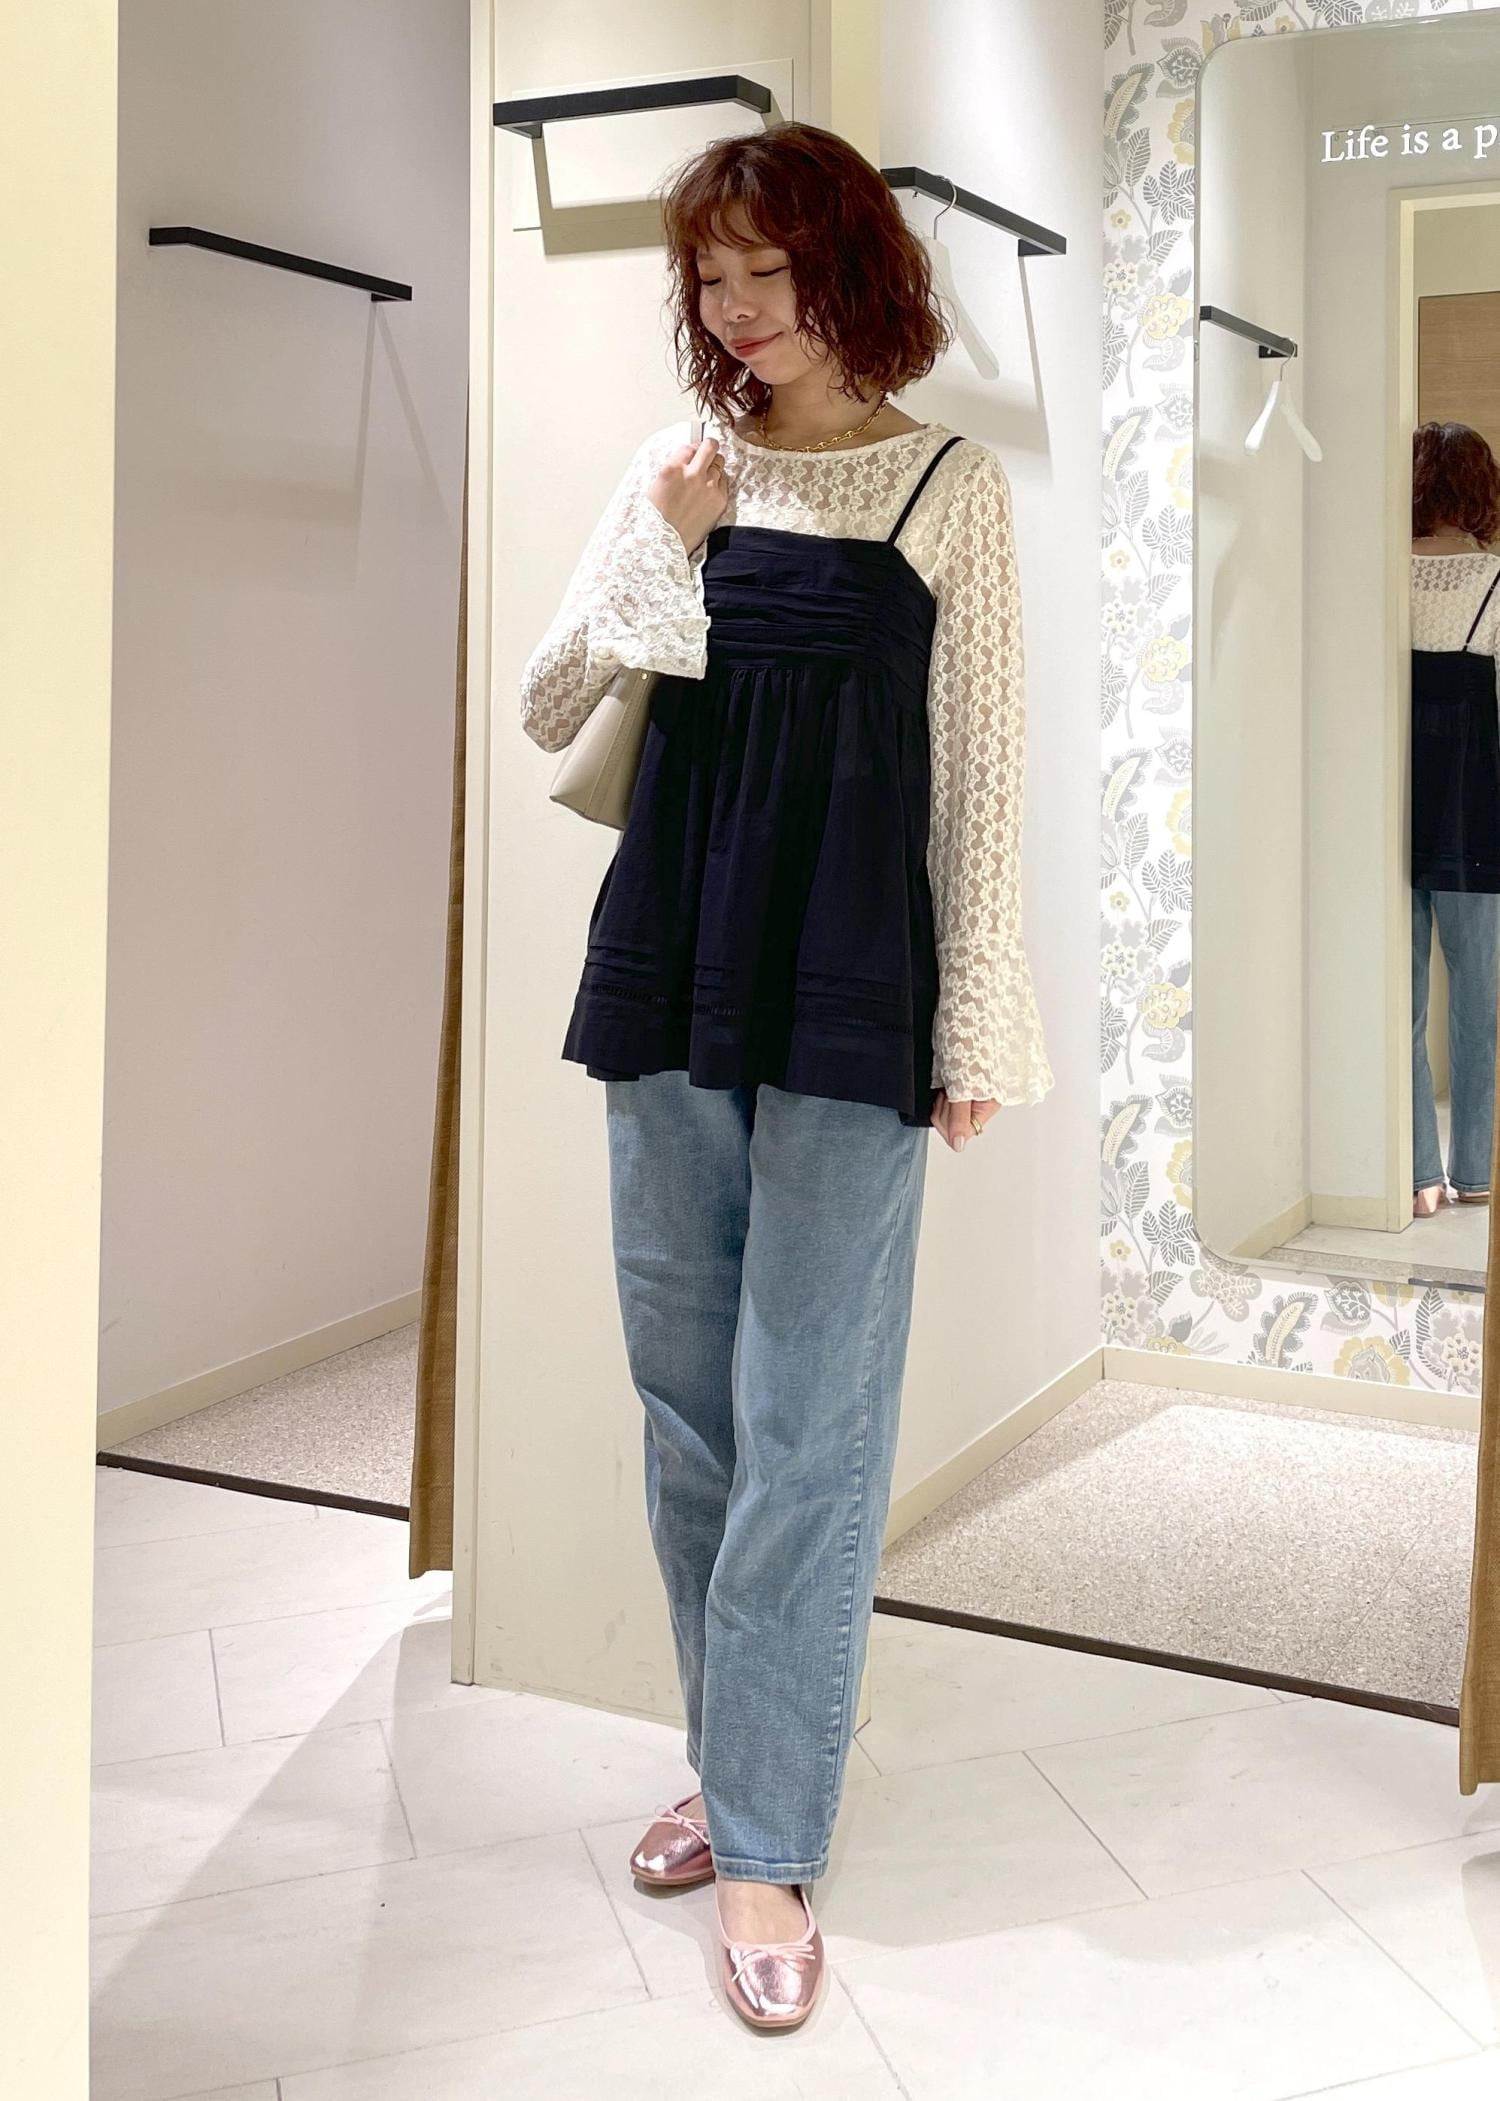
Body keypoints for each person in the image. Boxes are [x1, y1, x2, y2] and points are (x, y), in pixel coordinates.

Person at [518, 120, 1053, 2030]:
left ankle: (763, 1842)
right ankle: (741, 1768)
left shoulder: (949, 489)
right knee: (693, 1422)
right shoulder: (685, 468)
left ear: (854, 272)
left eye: (771, 271)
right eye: (714, 278)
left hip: (848, 993)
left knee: (809, 1431)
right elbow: (551, 706)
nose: (738, 308)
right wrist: (661, 539)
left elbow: (980, 787)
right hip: (668, 977)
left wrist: (975, 1023)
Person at [1410, 419, 1500, 1217]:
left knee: (1398, 1003)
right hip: (1476, 815)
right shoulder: (1494, 580)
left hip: (1391, 810)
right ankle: (1476, 1172)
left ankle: (1417, 1174)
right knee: (1478, 1006)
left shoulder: (1382, 574)